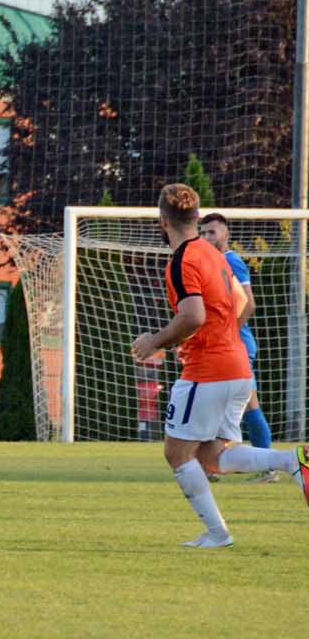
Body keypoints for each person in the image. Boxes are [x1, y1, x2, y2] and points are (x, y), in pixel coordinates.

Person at [128, 184, 308, 547]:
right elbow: (243, 302)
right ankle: (293, 461)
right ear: (197, 218)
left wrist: (154, 341)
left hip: (206, 371)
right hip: (237, 366)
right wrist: (224, 335)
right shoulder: (214, 254)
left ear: (163, 221)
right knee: (212, 457)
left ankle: (217, 533)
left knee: (176, 453)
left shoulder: (182, 260)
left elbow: (192, 315)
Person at [199, 213, 278, 482]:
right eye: (204, 233)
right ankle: (212, 465)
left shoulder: (231, 261)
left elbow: (249, 303)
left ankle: (267, 467)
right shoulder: (213, 263)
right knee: (229, 405)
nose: (208, 238)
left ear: (226, 234)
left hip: (237, 347)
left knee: (238, 406)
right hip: (228, 346)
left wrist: (227, 334)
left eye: (213, 232)